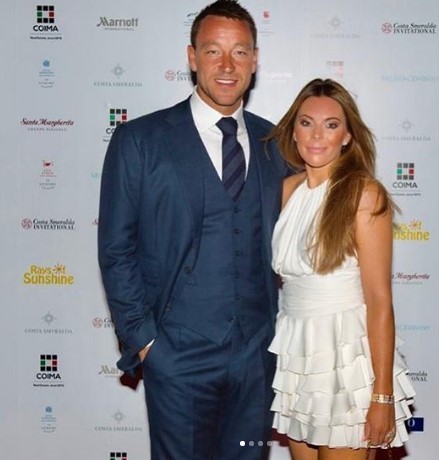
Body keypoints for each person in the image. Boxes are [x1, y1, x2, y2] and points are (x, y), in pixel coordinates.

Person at [97, 1, 286, 459]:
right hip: (176, 356)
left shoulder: (276, 144)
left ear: (255, 61)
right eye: (213, 51)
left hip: (257, 358)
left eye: (240, 52)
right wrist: (146, 343)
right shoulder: (140, 140)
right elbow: (116, 249)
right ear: (192, 57)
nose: (227, 65)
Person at [266, 78, 415, 460]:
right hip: (298, 359)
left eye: (331, 125)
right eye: (306, 123)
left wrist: (382, 395)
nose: (317, 135)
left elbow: (379, 300)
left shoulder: (364, 195)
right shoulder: (285, 191)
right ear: (293, 131)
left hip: (347, 362)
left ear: (347, 136)